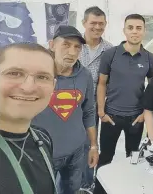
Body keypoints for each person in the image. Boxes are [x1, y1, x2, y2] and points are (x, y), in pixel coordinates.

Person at [94, 14, 153, 194]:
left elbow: (152, 89)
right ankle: (99, 190)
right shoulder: (110, 54)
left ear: (144, 31)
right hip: (110, 117)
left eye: (138, 28)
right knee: (106, 158)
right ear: (124, 30)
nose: (134, 31)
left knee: (133, 158)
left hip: (135, 119)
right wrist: (101, 111)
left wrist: (143, 114)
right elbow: (102, 84)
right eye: (130, 27)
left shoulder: (149, 58)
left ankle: (130, 189)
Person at [32, 25, 99, 194]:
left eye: (77, 47)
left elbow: (89, 111)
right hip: (42, 153)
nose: (72, 52)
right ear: (52, 45)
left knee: (71, 190)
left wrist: (93, 146)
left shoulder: (85, 76)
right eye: (66, 45)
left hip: (76, 153)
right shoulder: (35, 74)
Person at [0, 43, 56, 193]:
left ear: (53, 87)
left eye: (42, 77)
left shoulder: (43, 139)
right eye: (14, 73)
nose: (28, 87)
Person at [79, 6, 112, 192]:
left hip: (94, 106)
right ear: (84, 23)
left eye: (101, 24)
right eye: (93, 23)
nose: (97, 27)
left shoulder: (109, 50)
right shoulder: (73, 44)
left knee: (91, 143)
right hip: (71, 103)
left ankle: (87, 183)